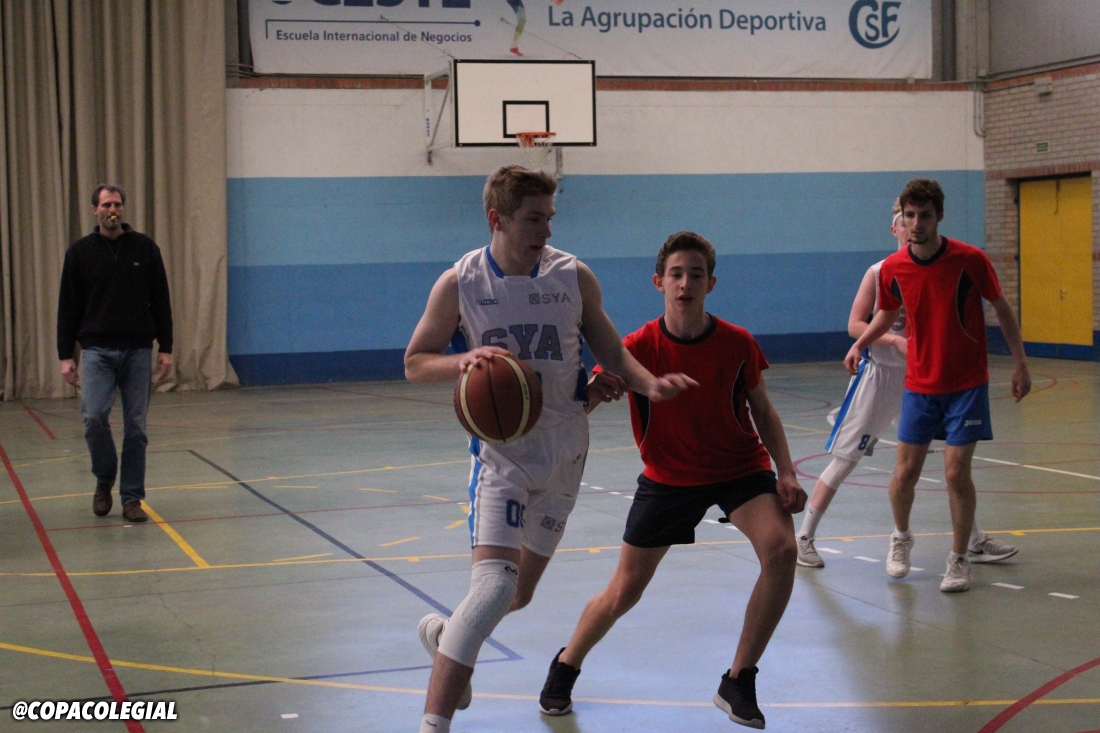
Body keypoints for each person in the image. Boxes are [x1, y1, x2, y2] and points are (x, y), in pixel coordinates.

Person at [403, 166, 695, 733]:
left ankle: (447, 637)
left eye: (550, 217)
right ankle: (433, 723)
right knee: (494, 587)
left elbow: (610, 348)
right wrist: (462, 361)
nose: (547, 229)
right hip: (502, 455)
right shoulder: (460, 282)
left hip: (566, 451)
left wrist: (647, 384)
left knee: (517, 595)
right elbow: (415, 362)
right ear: (498, 219)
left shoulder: (572, 276)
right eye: (534, 219)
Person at [537, 232, 807, 730]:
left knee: (782, 549)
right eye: (676, 274)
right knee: (624, 591)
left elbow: (763, 410)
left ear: (711, 284)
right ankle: (567, 663)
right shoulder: (636, 348)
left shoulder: (737, 343)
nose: (686, 284)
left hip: (739, 469)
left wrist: (786, 470)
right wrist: (593, 389)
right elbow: (590, 398)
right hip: (669, 477)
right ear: (659, 282)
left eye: (696, 275)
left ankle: (738, 679)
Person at [797, 205, 1017, 569]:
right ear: (895, 230)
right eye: (904, 223)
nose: (911, 228)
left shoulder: (939, 266)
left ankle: (973, 539)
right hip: (880, 377)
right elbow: (855, 325)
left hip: (923, 380)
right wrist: (894, 341)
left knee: (951, 463)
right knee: (847, 458)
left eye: (917, 220)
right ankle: (804, 537)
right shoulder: (880, 271)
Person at [844, 179, 1031, 593]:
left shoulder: (970, 259)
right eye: (910, 215)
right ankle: (901, 537)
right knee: (906, 473)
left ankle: (960, 558)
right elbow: (884, 315)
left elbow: (1002, 309)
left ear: (939, 216)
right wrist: (859, 344)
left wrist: (1020, 364)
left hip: (967, 384)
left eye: (924, 215)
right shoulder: (893, 269)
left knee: (955, 473)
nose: (916, 223)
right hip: (920, 384)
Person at [57, 184, 173, 523]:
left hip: (138, 351)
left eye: (118, 204)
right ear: (95, 209)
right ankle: (105, 478)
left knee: (136, 427)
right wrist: (66, 355)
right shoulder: (79, 253)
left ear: (123, 209)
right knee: (94, 418)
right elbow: (68, 307)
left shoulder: (145, 248)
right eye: (106, 204)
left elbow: (161, 300)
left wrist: (166, 348)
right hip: (97, 351)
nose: (113, 210)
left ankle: (132, 497)